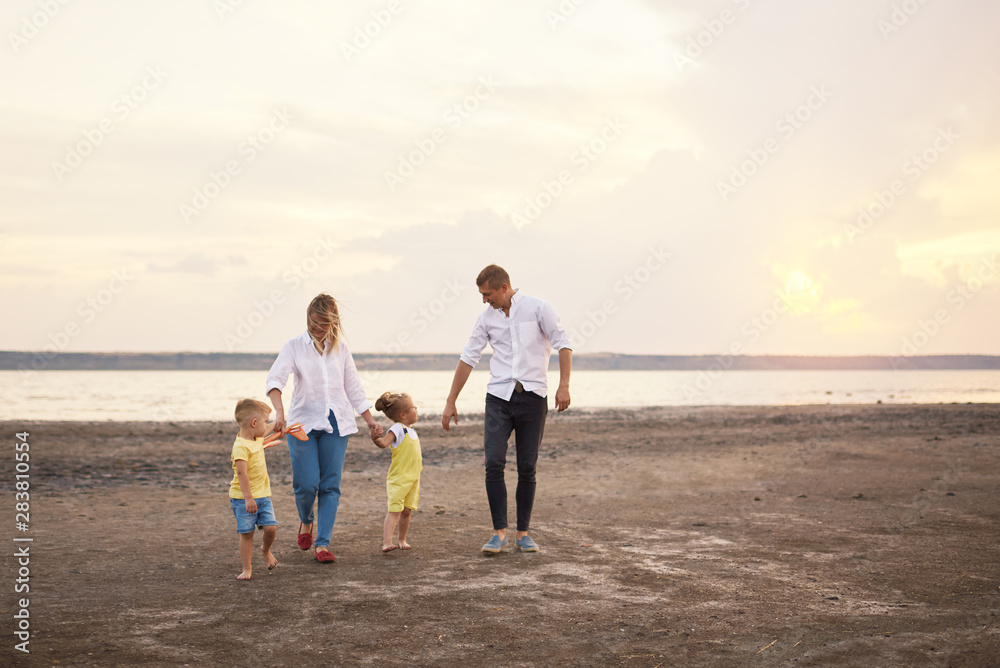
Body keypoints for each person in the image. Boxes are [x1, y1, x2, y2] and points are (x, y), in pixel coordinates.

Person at [442, 265, 572, 553]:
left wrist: (564, 386)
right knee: (493, 463)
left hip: (533, 397)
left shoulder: (539, 308)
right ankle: (498, 533)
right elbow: (468, 358)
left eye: (487, 294)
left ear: (503, 287)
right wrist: (451, 400)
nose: (484, 300)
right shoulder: (486, 318)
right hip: (498, 398)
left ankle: (522, 533)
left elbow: (564, 345)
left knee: (527, 467)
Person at [266, 293, 382, 563]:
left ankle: (322, 544)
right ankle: (306, 520)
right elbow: (275, 379)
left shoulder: (340, 349)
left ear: (334, 323)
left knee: (330, 486)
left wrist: (370, 420)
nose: (317, 329)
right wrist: (279, 413)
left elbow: (353, 387)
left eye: (323, 324)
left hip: (337, 422)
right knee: (306, 485)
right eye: (313, 323)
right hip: (300, 424)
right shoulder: (294, 346)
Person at [229, 398, 279, 580]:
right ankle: (247, 568)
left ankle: (265, 550)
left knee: (271, 528)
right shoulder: (241, 446)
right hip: (244, 498)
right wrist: (248, 498)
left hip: (263, 496)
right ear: (254, 423)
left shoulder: (255, 437)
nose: (267, 425)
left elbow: (266, 431)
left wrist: (278, 424)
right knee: (247, 533)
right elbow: (242, 474)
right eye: (265, 421)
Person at [371, 391, 423, 553]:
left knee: (407, 511)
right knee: (395, 510)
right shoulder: (398, 428)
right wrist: (376, 439)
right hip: (399, 478)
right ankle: (387, 542)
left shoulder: (411, 429)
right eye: (413, 407)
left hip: (413, 479)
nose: (416, 409)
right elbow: (384, 443)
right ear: (403, 415)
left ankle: (402, 539)